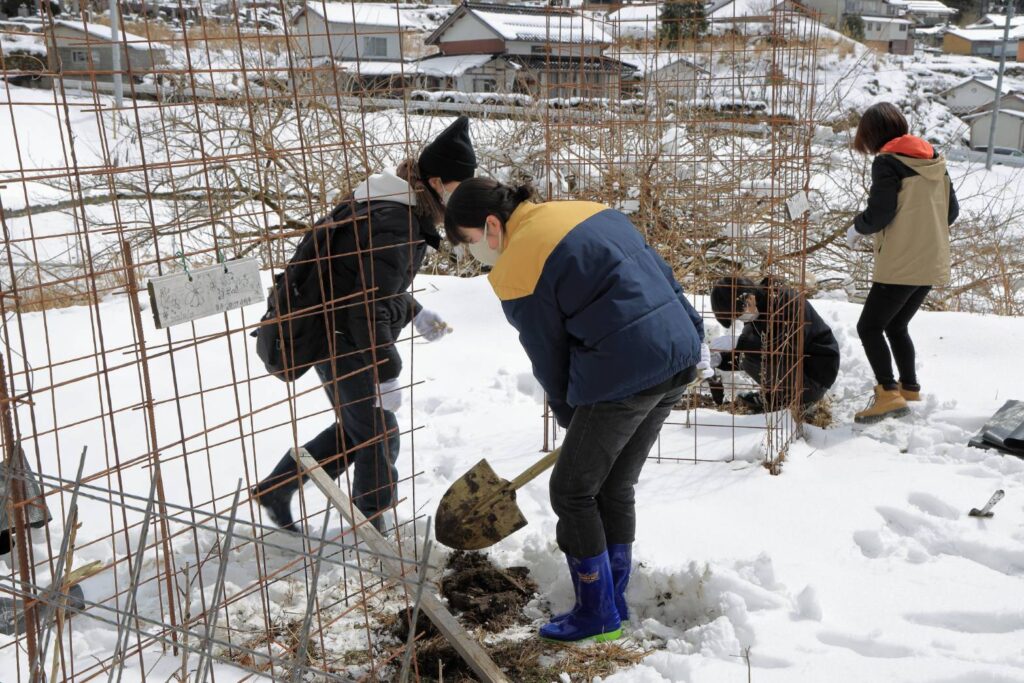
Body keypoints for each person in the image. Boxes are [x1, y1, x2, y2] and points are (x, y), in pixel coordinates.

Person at [444, 178, 712, 644]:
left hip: (627, 368)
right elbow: (661, 273)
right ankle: (613, 598)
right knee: (614, 482)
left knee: (571, 490)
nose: (473, 256)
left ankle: (596, 614)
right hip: (678, 354)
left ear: (491, 225)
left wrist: (574, 419)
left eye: (469, 243)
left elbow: (549, 356)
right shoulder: (589, 211)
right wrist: (694, 332)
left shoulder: (517, 263)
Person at [251, 116, 477, 533]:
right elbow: (364, 306)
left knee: (358, 429)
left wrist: (414, 311)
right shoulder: (396, 222)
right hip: (343, 342)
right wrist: (385, 374)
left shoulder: (389, 208)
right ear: (438, 182)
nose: (462, 200)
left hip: (337, 335)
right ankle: (372, 527)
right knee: (377, 435)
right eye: (461, 189)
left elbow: (364, 283)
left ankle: (278, 488)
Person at [846, 102, 958, 424]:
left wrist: (857, 228)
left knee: (868, 327)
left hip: (901, 264)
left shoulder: (887, 163)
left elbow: (880, 213)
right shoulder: (935, 160)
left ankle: (888, 395)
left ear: (872, 135)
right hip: (930, 262)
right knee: (895, 325)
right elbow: (950, 213)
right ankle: (909, 388)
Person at [708, 275, 840, 415]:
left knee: (747, 356)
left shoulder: (786, 303)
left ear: (748, 298)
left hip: (816, 375)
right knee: (746, 356)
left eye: (738, 314)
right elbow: (753, 351)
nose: (740, 319)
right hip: (799, 369)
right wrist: (722, 360)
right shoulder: (755, 310)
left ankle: (797, 400)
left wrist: (740, 344)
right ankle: (778, 396)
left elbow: (784, 349)